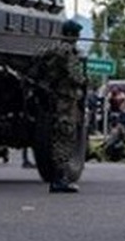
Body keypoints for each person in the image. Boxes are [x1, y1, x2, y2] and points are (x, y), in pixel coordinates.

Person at [27, 18, 88, 193]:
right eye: (76, 35)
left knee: (58, 136)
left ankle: (59, 177)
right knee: (64, 138)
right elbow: (76, 76)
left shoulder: (50, 50)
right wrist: (83, 78)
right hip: (65, 100)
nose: (77, 38)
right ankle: (60, 178)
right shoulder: (68, 52)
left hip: (52, 99)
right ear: (70, 35)